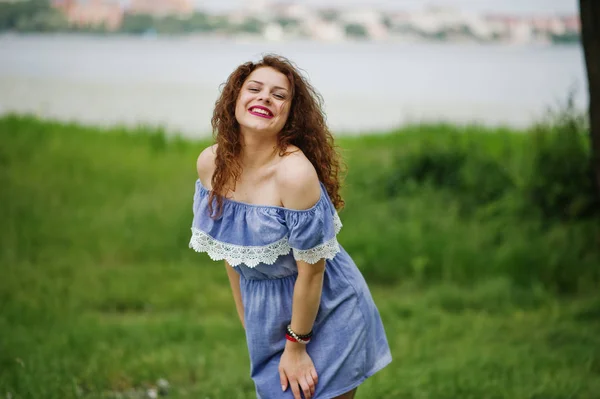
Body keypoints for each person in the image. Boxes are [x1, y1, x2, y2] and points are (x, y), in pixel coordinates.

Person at [189, 54, 391, 399]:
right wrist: (248, 320)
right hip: (264, 315)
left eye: (279, 95)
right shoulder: (211, 163)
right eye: (254, 88)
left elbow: (312, 273)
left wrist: (296, 345)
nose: (265, 97)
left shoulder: (294, 174)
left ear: (290, 114)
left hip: (327, 307)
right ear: (235, 99)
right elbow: (231, 251)